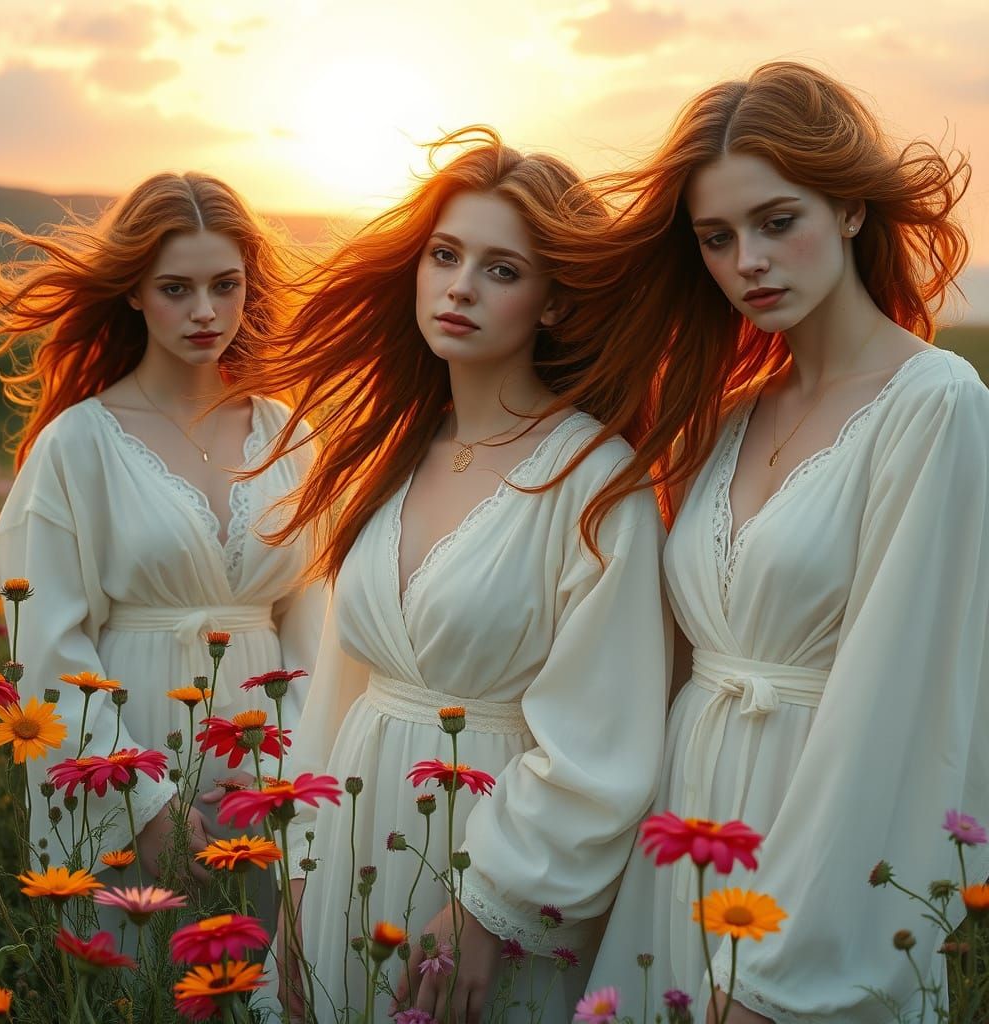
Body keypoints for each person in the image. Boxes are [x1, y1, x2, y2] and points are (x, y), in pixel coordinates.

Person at [233, 127, 672, 1023]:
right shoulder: (389, 456)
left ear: (555, 303)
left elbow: (602, 742)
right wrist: (300, 879)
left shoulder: (595, 479)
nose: (461, 286)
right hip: (352, 845)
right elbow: (337, 696)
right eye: (445, 255)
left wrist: (486, 907)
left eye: (501, 269)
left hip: (495, 862)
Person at [580, 62, 989, 1022]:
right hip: (685, 827)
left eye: (776, 222)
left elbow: (901, 706)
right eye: (717, 238)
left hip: (821, 848)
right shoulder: (727, 416)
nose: (748, 262)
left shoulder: (936, 406)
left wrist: (783, 972)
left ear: (848, 208)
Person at [0, 172, 325, 883]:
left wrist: (288, 779)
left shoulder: (291, 437)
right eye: (175, 289)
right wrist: (143, 806)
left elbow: (317, 627)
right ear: (133, 291)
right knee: (139, 948)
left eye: (225, 285)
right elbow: (48, 647)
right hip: (129, 752)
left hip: (268, 770)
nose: (205, 311)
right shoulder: (78, 444)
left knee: (272, 950)